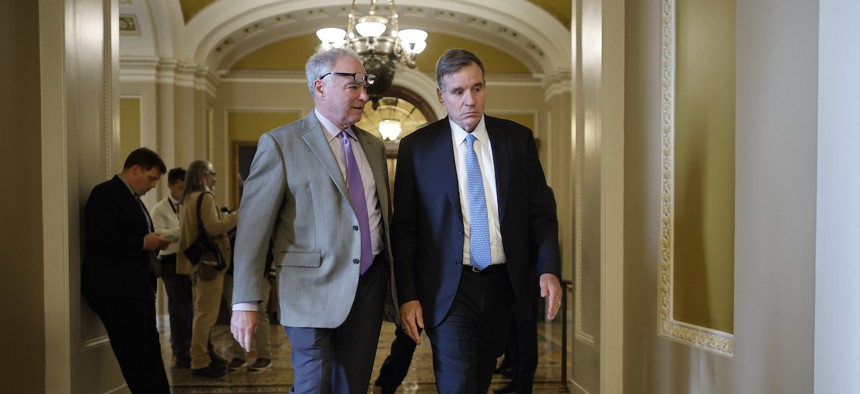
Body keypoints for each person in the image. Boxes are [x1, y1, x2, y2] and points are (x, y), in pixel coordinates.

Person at [392, 48, 563, 394]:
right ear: (441, 96)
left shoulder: (517, 140)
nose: (469, 100)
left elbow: (540, 212)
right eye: (458, 92)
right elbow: (406, 229)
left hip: (504, 284)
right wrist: (407, 295)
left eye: (477, 88)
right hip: (449, 288)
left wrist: (548, 268)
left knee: (481, 378)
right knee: (458, 383)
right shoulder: (417, 148)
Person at [230, 47, 397, 394]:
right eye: (353, 86)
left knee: (352, 387)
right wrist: (245, 301)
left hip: (368, 286)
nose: (364, 95)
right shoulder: (280, 143)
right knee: (314, 385)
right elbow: (252, 231)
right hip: (308, 290)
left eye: (365, 84)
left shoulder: (374, 147)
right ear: (319, 87)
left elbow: (380, 217)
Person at [81, 147, 171, 394]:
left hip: (137, 290)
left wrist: (154, 243)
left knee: (150, 352)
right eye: (151, 178)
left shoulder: (134, 200)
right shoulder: (106, 194)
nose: (153, 186)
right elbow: (102, 239)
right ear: (135, 170)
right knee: (136, 358)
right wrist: (144, 242)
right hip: (116, 291)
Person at [177, 160, 239, 379]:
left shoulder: (187, 198)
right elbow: (213, 228)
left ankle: (206, 355)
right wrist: (236, 216)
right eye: (212, 174)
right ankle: (200, 362)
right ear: (203, 175)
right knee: (205, 317)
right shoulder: (205, 197)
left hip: (196, 264)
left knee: (200, 314)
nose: (215, 178)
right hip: (209, 265)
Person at [150, 167, 193, 369]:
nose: (184, 192)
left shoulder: (191, 205)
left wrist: (177, 232)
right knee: (177, 308)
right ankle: (179, 351)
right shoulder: (159, 209)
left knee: (193, 308)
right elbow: (160, 236)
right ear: (170, 185)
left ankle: (193, 349)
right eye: (180, 187)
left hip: (191, 260)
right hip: (170, 261)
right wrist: (183, 229)